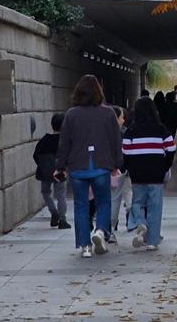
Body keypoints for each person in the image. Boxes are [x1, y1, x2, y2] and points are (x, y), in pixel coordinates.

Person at [54, 75, 122, 258]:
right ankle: (100, 231)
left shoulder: (71, 114)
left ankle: (85, 247)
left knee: (81, 206)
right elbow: (116, 140)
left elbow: (64, 143)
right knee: (104, 201)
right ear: (98, 92)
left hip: (77, 167)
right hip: (101, 165)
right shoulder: (108, 114)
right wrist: (117, 163)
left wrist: (60, 166)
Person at [122, 96, 175, 251]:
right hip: (156, 174)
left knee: (137, 202)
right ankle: (152, 241)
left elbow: (125, 151)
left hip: (137, 174)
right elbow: (171, 149)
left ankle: (140, 222)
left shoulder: (131, 130)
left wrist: (130, 168)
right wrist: (165, 166)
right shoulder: (161, 129)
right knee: (155, 207)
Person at [33, 113, 70, 230]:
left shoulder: (44, 140)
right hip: (60, 171)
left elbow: (35, 155)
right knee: (61, 195)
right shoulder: (64, 141)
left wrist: (43, 166)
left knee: (45, 192)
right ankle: (63, 220)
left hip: (45, 172)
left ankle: (53, 211)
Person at [108, 106, 133, 242]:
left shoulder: (103, 133)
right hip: (121, 171)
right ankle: (130, 218)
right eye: (121, 117)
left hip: (110, 171)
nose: (123, 119)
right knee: (126, 194)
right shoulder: (125, 133)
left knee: (113, 199)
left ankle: (109, 228)